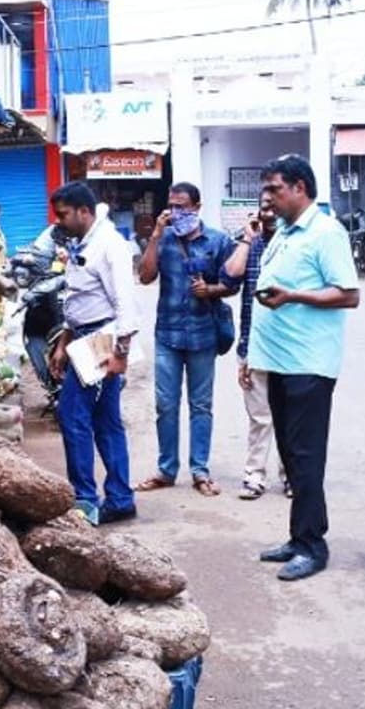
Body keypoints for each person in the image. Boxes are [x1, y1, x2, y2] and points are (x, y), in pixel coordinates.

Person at [251, 154, 360, 582]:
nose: (268, 197)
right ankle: (299, 537)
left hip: (308, 364)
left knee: (306, 457)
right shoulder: (283, 232)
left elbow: (349, 294)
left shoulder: (325, 232)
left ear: (299, 187)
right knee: (292, 455)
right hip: (279, 361)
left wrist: (293, 296)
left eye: (275, 189)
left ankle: (314, 545)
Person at [134, 182, 238, 498]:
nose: (176, 212)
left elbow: (233, 282)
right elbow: (146, 276)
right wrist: (154, 235)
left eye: (183, 207)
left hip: (203, 333)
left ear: (197, 207)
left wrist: (212, 290)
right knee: (166, 404)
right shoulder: (163, 239)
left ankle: (200, 470)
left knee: (201, 405)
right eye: (172, 206)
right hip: (167, 333)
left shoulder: (218, 241)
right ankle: (166, 470)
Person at [47, 182, 141, 526]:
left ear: (84, 211)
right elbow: (79, 300)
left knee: (73, 417)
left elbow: (125, 304)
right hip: (85, 337)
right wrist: (62, 345)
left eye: (64, 214)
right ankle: (119, 498)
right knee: (105, 421)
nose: (59, 221)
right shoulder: (83, 242)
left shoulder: (109, 245)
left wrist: (121, 353)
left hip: (103, 338)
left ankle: (85, 500)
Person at [220, 191, 289, 500]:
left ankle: (291, 477)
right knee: (259, 416)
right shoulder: (251, 243)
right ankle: (254, 476)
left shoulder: (294, 243)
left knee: (288, 415)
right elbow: (230, 276)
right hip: (253, 343)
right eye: (264, 207)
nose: (270, 212)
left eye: (274, 206)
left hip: (289, 345)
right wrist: (248, 239)